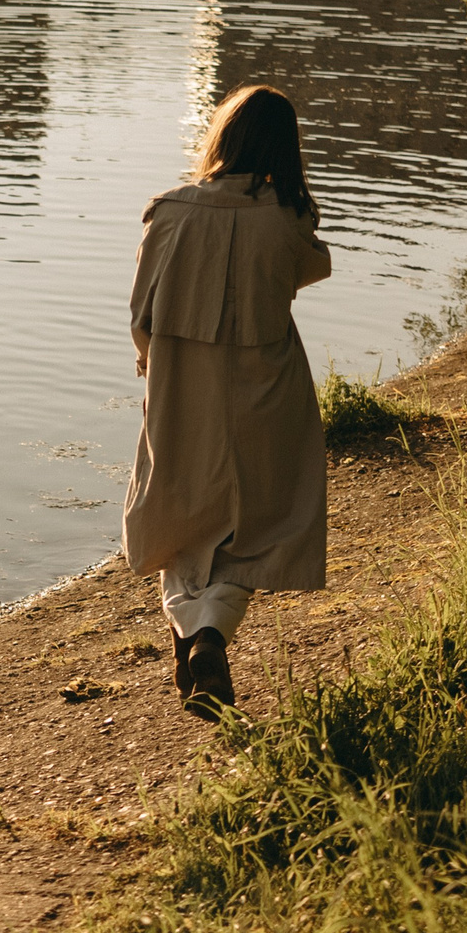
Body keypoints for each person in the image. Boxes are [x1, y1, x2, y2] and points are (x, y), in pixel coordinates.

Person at [122, 85, 331, 716]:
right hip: (267, 387)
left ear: (222, 136)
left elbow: (142, 315)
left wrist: (153, 363)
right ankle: (209, 635)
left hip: (182, 383)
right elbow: (307, 268)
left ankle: (192, 638)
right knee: (259, 525)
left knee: (181, 513)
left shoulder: (168, 210)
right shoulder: (286, 218)